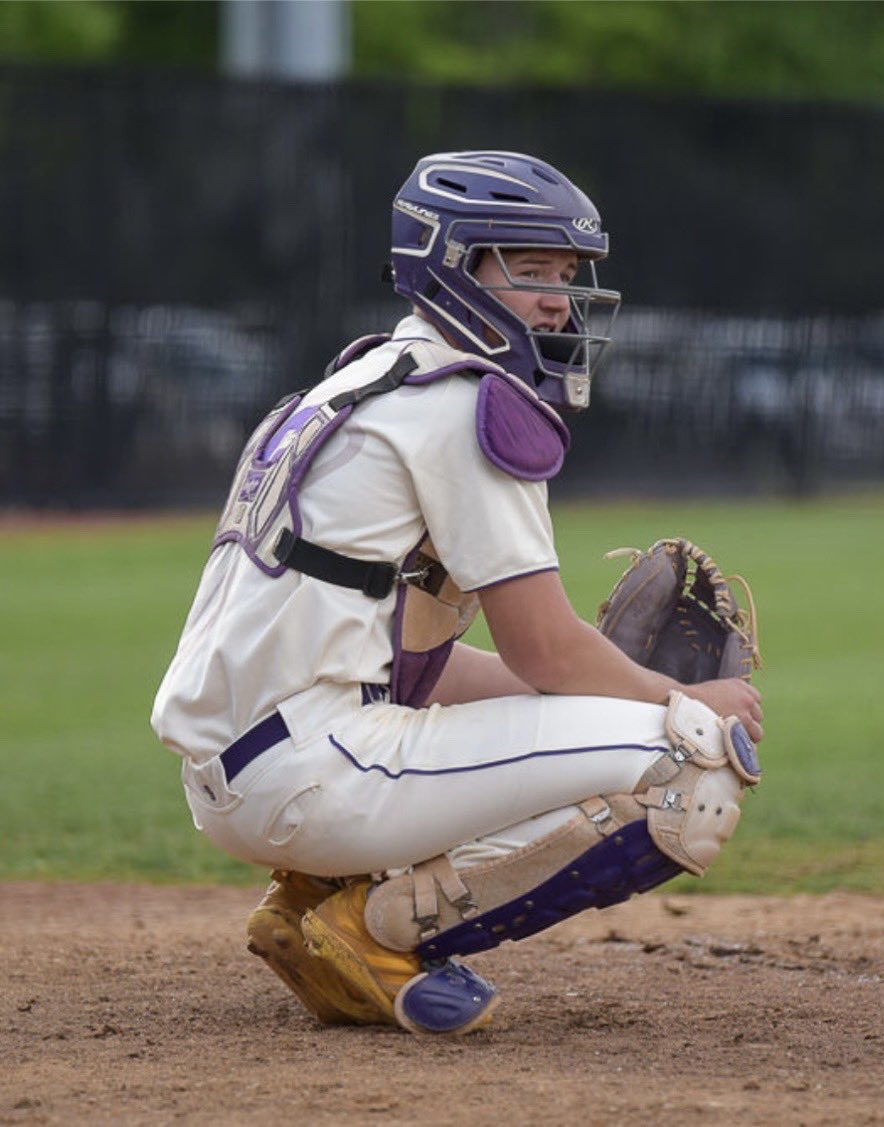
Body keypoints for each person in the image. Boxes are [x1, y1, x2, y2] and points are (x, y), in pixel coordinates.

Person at [151, 150, 765, 1036]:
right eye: (529, 268)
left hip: (237, 778)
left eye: (566, 272)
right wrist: (681, 697)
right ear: (452, 262)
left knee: (612, 719)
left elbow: (418, 664)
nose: (558, 297)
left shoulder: (351, 386)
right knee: (696, 760)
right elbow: (543, 649)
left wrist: (581, 690)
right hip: (316, 774)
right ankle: (373, 928)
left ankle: (313, 899)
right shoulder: (469, 404)